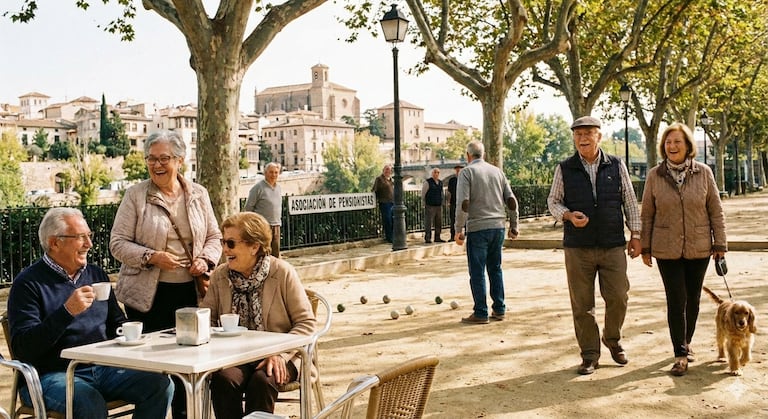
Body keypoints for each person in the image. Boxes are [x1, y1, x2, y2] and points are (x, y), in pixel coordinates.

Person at [7, 207, 173, 418]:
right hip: (51, 374)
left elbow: (116, 323)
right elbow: (24, 348)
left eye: (89, 236)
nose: (89, 244)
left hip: (103, 367)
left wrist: (129, 332)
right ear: (54, 242)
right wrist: (67, 312)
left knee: (159, 384)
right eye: (80, 237)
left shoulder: (95, 273)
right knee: (88, 400)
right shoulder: (28, 284)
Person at [109, 130, 222, 418]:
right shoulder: (136, 195)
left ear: (180, 160)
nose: (157, 165)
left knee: (190, 366)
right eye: (151, 159)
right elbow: (117, 244)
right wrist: (151, 257)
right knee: (156, 373)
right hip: (147, 297)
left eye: (164, 159)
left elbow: (214, 236)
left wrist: (206, 260)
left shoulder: (199, 193)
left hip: (191, 294)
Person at [547, 115, 641, 375]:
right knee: (582, 304)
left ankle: (613, 339)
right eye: (578, 134)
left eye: (588, 133)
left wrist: (636, 234)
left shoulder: (616, 165)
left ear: (599, 136)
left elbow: (630, 202)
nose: (583, 138)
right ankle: (589, 354)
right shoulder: (564, 167)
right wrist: (567, 215)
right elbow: (553, 201)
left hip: (612, 244)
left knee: (619, 297)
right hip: (578, 247)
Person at [200, 212, 316, 417]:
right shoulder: (220, 275)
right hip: (236, 356)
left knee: (262, 381)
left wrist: (280, 353)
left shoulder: (282, 272)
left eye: (231, 243)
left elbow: (306, 323)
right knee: (223, 380)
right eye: (223, 242)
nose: (225, 249)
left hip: (284, 355)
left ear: (255, 246)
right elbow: (207, 320)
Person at [640, 122, 727, 377]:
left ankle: (686, 343)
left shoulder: (704, 173)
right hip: (666, 248)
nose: (672, 146)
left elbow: (716, 211)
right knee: (676, 300)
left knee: (693, 300)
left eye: (677, 142)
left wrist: (720, 244)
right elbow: (647, 213)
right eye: (668, 142)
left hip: (699, 246)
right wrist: (645, 246)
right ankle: (680, 353)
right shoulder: (655, 175)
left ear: (688, 145)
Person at [454, 141, 519, 324]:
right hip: (498, 225)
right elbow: (511, 200)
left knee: (477, 271)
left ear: (468, 155)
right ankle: (499, 309)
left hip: (478, 227)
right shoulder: (497, 171)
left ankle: (481, 312)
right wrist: (514, 225)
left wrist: (458, 229)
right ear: (483, 154)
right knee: (495, 269)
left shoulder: (467, 172)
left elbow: (463, 203)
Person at [245, 162, 283, 257]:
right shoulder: (258, 188)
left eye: (276, 172)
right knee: (263, 253)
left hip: (276, 225)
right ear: (265, 173)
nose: (273, 175)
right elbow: (248, 208)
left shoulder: (278, 188)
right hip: (263, 226)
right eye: (271, 172)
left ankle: (274, 271)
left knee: (275, 253)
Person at [372, 164, 394, 243]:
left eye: (389, 170)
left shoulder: (391, 180)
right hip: (384, 202)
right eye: (386, 169)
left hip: (392, 202)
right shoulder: (379, 179)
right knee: (387, 220)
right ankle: (389, 237)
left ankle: (393, 236)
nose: (388, 171)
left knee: (393, 219)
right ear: (383, 170)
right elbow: (374, 190)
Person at [421, 167, 445, 243]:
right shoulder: (428, 182)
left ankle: (437, 237)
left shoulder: (440, 182)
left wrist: (443, 202)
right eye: (435, 172)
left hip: (438, 205)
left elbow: (442, 193)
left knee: (439, 222)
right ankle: (428, 237)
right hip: (430, 205)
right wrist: (423, 203)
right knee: (429, 222)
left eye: (438, 172)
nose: (436, 174)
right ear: (432, 173)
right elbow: (423, 194)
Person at [447, 165, 463, 241]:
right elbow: (449, 192)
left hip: (463, 203)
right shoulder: (452, 180)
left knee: (464, 219)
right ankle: (453, 236)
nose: (458, 171)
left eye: (459, 170)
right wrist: (448, 201)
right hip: (454, 202)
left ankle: (463, 234)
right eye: (457, 170)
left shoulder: (464, 179)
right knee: (453, 219)